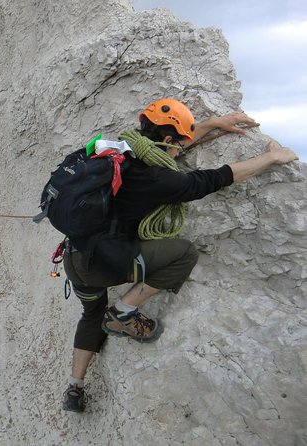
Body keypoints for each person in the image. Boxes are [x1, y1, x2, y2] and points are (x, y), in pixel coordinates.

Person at [60, 98, 298, 413]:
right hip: (105, 263)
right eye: (180, 142)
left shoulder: (118, 147)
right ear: (169, 140)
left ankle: (74, 389)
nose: (182, 148)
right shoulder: (159, 179)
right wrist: (269, 158)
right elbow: (216, 178)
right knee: (184, 253)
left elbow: (166, 148)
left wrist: (212, 124)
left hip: (73, 257)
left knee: (90, 314)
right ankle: (123, 313)